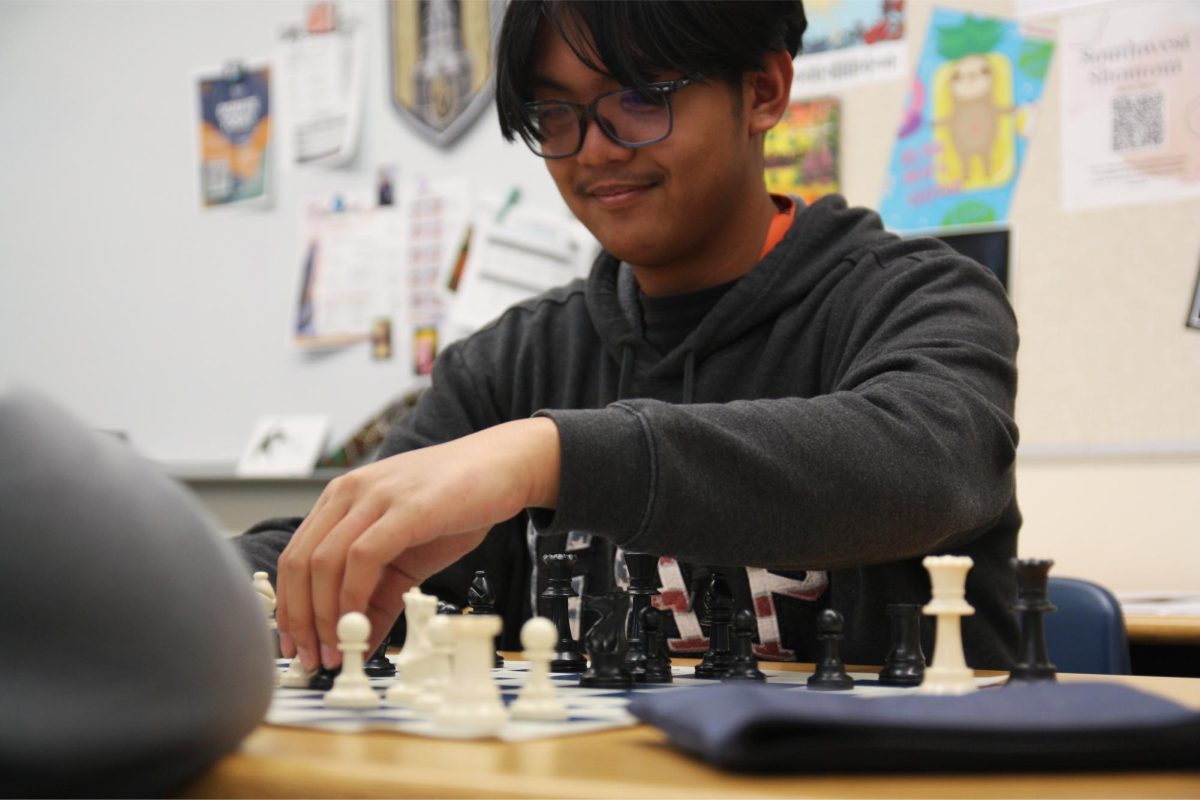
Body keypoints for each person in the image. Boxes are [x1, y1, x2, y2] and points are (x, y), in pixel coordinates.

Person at [237, 0, 1020, 674]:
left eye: (642, 98)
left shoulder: (922, 297)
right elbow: (348, 546)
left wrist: (549, 457)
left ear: (764, 90)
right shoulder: (509, 363)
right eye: (556, 114)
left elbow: (929, 462)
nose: (596, 148)